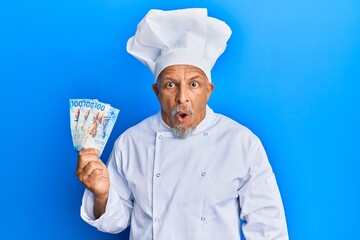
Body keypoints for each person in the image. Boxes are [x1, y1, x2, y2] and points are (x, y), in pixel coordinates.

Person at [76, 8, 289, 240]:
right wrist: (102, 194)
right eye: (170, 85)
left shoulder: (241, 142)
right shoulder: (130, 143)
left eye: (194, 85)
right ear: (156, 92)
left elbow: (268, 227)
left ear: (209, 91)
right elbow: (115, 223)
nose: (182, 97)